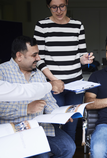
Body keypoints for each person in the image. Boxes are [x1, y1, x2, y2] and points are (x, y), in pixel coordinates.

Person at [0, 36, 76, 158]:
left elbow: (49, 102)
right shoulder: (0, 72)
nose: (38, 59)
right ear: (19, 56)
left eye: (38, 54)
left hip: (39, 128)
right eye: (34, 55)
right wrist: (27, 108)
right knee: (42, 155)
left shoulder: (39, 74)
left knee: (69, 147)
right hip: (14, 130)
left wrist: (60, 116)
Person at [33, 0, 94, 141]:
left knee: (71, 127)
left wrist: (85, 59)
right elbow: (38, 59)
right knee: (53, 126)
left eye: (62, 6)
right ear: (48, 6)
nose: (59, 11)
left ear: (67, 3)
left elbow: (81, 54)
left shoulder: (77, 25)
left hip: (75, 86)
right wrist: (54, 80)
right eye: (54, 7)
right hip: (54, 87)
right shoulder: (42, 26)